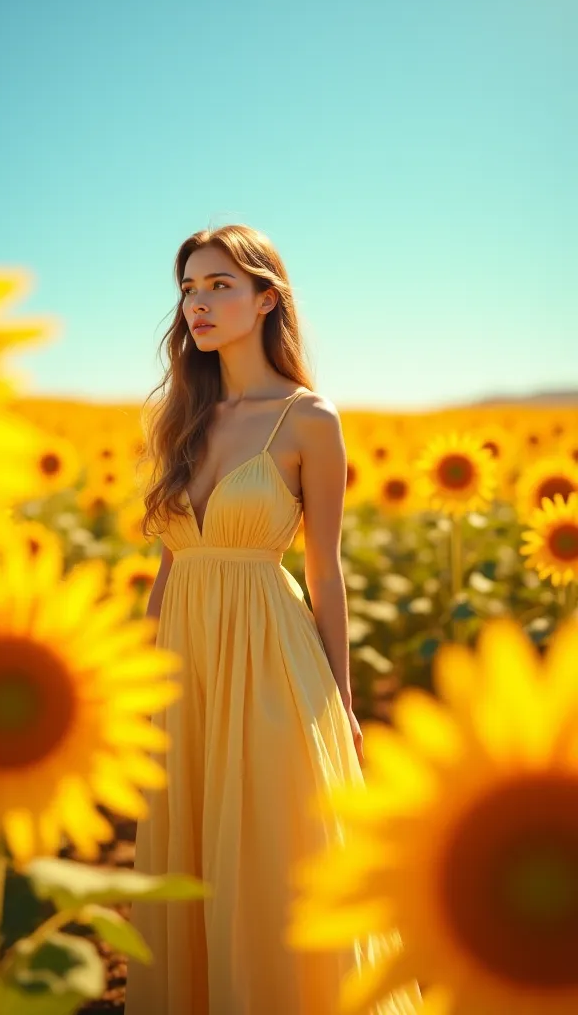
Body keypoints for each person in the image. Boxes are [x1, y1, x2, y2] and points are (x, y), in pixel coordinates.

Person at [124, 225, 420, 1015]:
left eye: (220, 284)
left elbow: (325, 570)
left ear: (266, 298)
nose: (199, 303)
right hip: (185, 667)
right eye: (189, 288)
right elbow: (170, 565)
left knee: (269, 858)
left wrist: (344, 703)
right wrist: (140, 682)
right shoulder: (184, 417)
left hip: (268, 663)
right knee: (192, 857)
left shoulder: (310, 420)